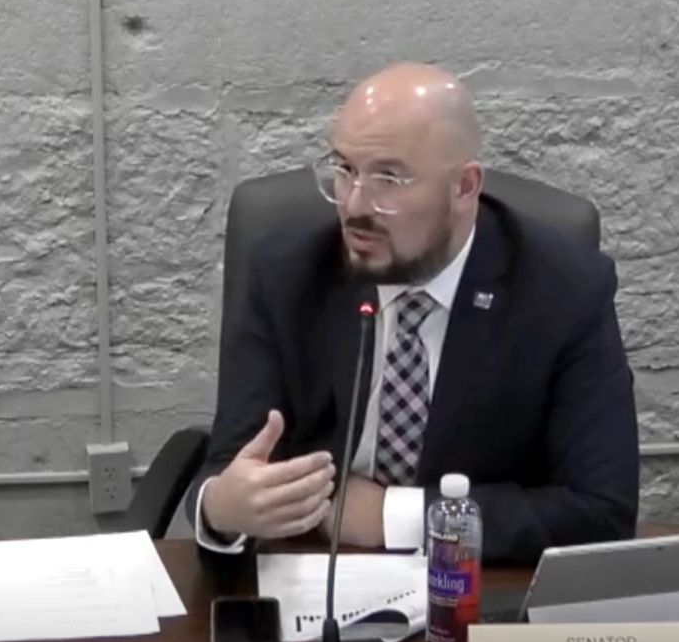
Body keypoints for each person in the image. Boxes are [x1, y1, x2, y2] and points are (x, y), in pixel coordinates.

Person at [192, 63, 639, 565]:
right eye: (344, 170)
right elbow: (231, 467)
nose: (355, 206)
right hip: (312, 579)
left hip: (479, 593)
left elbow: (602, 511)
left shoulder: (564, 289)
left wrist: (394, 516)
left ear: (465, 187)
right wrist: (222, 510)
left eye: (389, 178)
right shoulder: (288, 274)